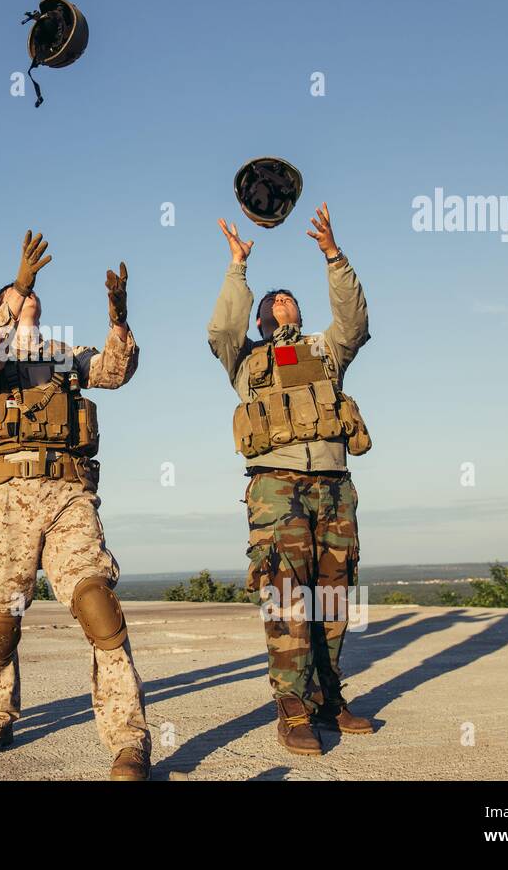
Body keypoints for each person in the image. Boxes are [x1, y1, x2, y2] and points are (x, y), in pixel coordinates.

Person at [0, 230, 151, 780]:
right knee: (1, 621)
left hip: (68, 495)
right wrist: (18, 286)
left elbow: (115, 372)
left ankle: (128, 743)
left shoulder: (65, 358)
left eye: (35, 305)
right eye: (19, 306)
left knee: (98, 608)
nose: (28, 311)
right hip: (7, 503)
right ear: (0, 311)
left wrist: (118, 320)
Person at [206, 204, 376, 756]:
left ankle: (328, 696)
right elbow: (219, 329)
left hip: (333, 483)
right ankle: (291, 704)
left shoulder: (324, 353)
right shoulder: (247, 359)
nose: (281, 303)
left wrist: (333, 255)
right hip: (276, 486)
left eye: (288, 298)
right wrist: (238, 269)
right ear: (258, 321)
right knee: (285, 594)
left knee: (332, 595)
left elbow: (355, 322)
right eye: (270, 303)